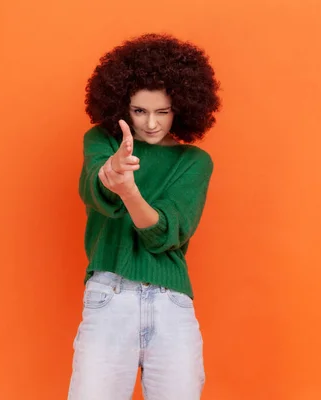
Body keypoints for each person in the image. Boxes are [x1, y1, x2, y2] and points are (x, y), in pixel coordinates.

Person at [68, 33, 221, 400]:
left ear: (181, 108)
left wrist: (130, 190)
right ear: (122, 107)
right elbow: (95, 189)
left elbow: (164, 234)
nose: (151, 123)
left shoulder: (194, 162)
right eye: (139, 111)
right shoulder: (102, 142)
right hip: (109, 296)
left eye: (162, 112)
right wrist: (112, 174)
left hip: (171, 304)